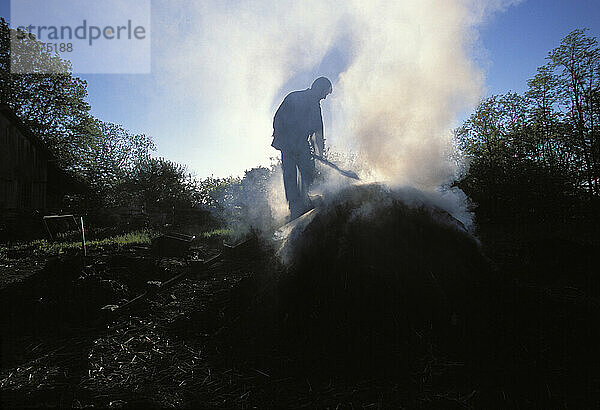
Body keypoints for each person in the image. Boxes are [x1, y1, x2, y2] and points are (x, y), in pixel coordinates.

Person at [272, 77, 332, 220]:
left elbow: (318, 132)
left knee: (307, 170)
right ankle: (295, 207)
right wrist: (282, 137)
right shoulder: (294, 97)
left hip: (300, 144)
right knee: (291, 174)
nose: (324, 97)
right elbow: (278, 118)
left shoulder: (316, 107)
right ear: (318, 88)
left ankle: (304, 200)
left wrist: (320, 153)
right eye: (325, 93)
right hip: (287, 142)